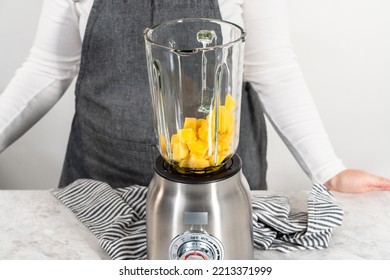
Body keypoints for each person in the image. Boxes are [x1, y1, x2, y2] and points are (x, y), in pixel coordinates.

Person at [0, 0, 389, 192]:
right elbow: (48, 67)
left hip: (219, 187)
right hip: (99, 177)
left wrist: (329, 171)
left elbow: (273, 69)